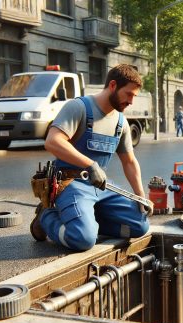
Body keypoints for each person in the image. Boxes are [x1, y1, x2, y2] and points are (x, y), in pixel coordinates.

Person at [30, 64, 152, 251]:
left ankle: (87, 220)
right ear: (113, 85)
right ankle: (46, 216)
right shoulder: (78, 108)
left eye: (134, 96)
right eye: (129, 94)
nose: (131, 102)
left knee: (139, 225)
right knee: (83, 239)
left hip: (99, 187)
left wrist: (140, 197)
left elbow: (129, 161)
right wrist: (90, 164)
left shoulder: (121, 123)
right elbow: (52, 142)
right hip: (70, 184)